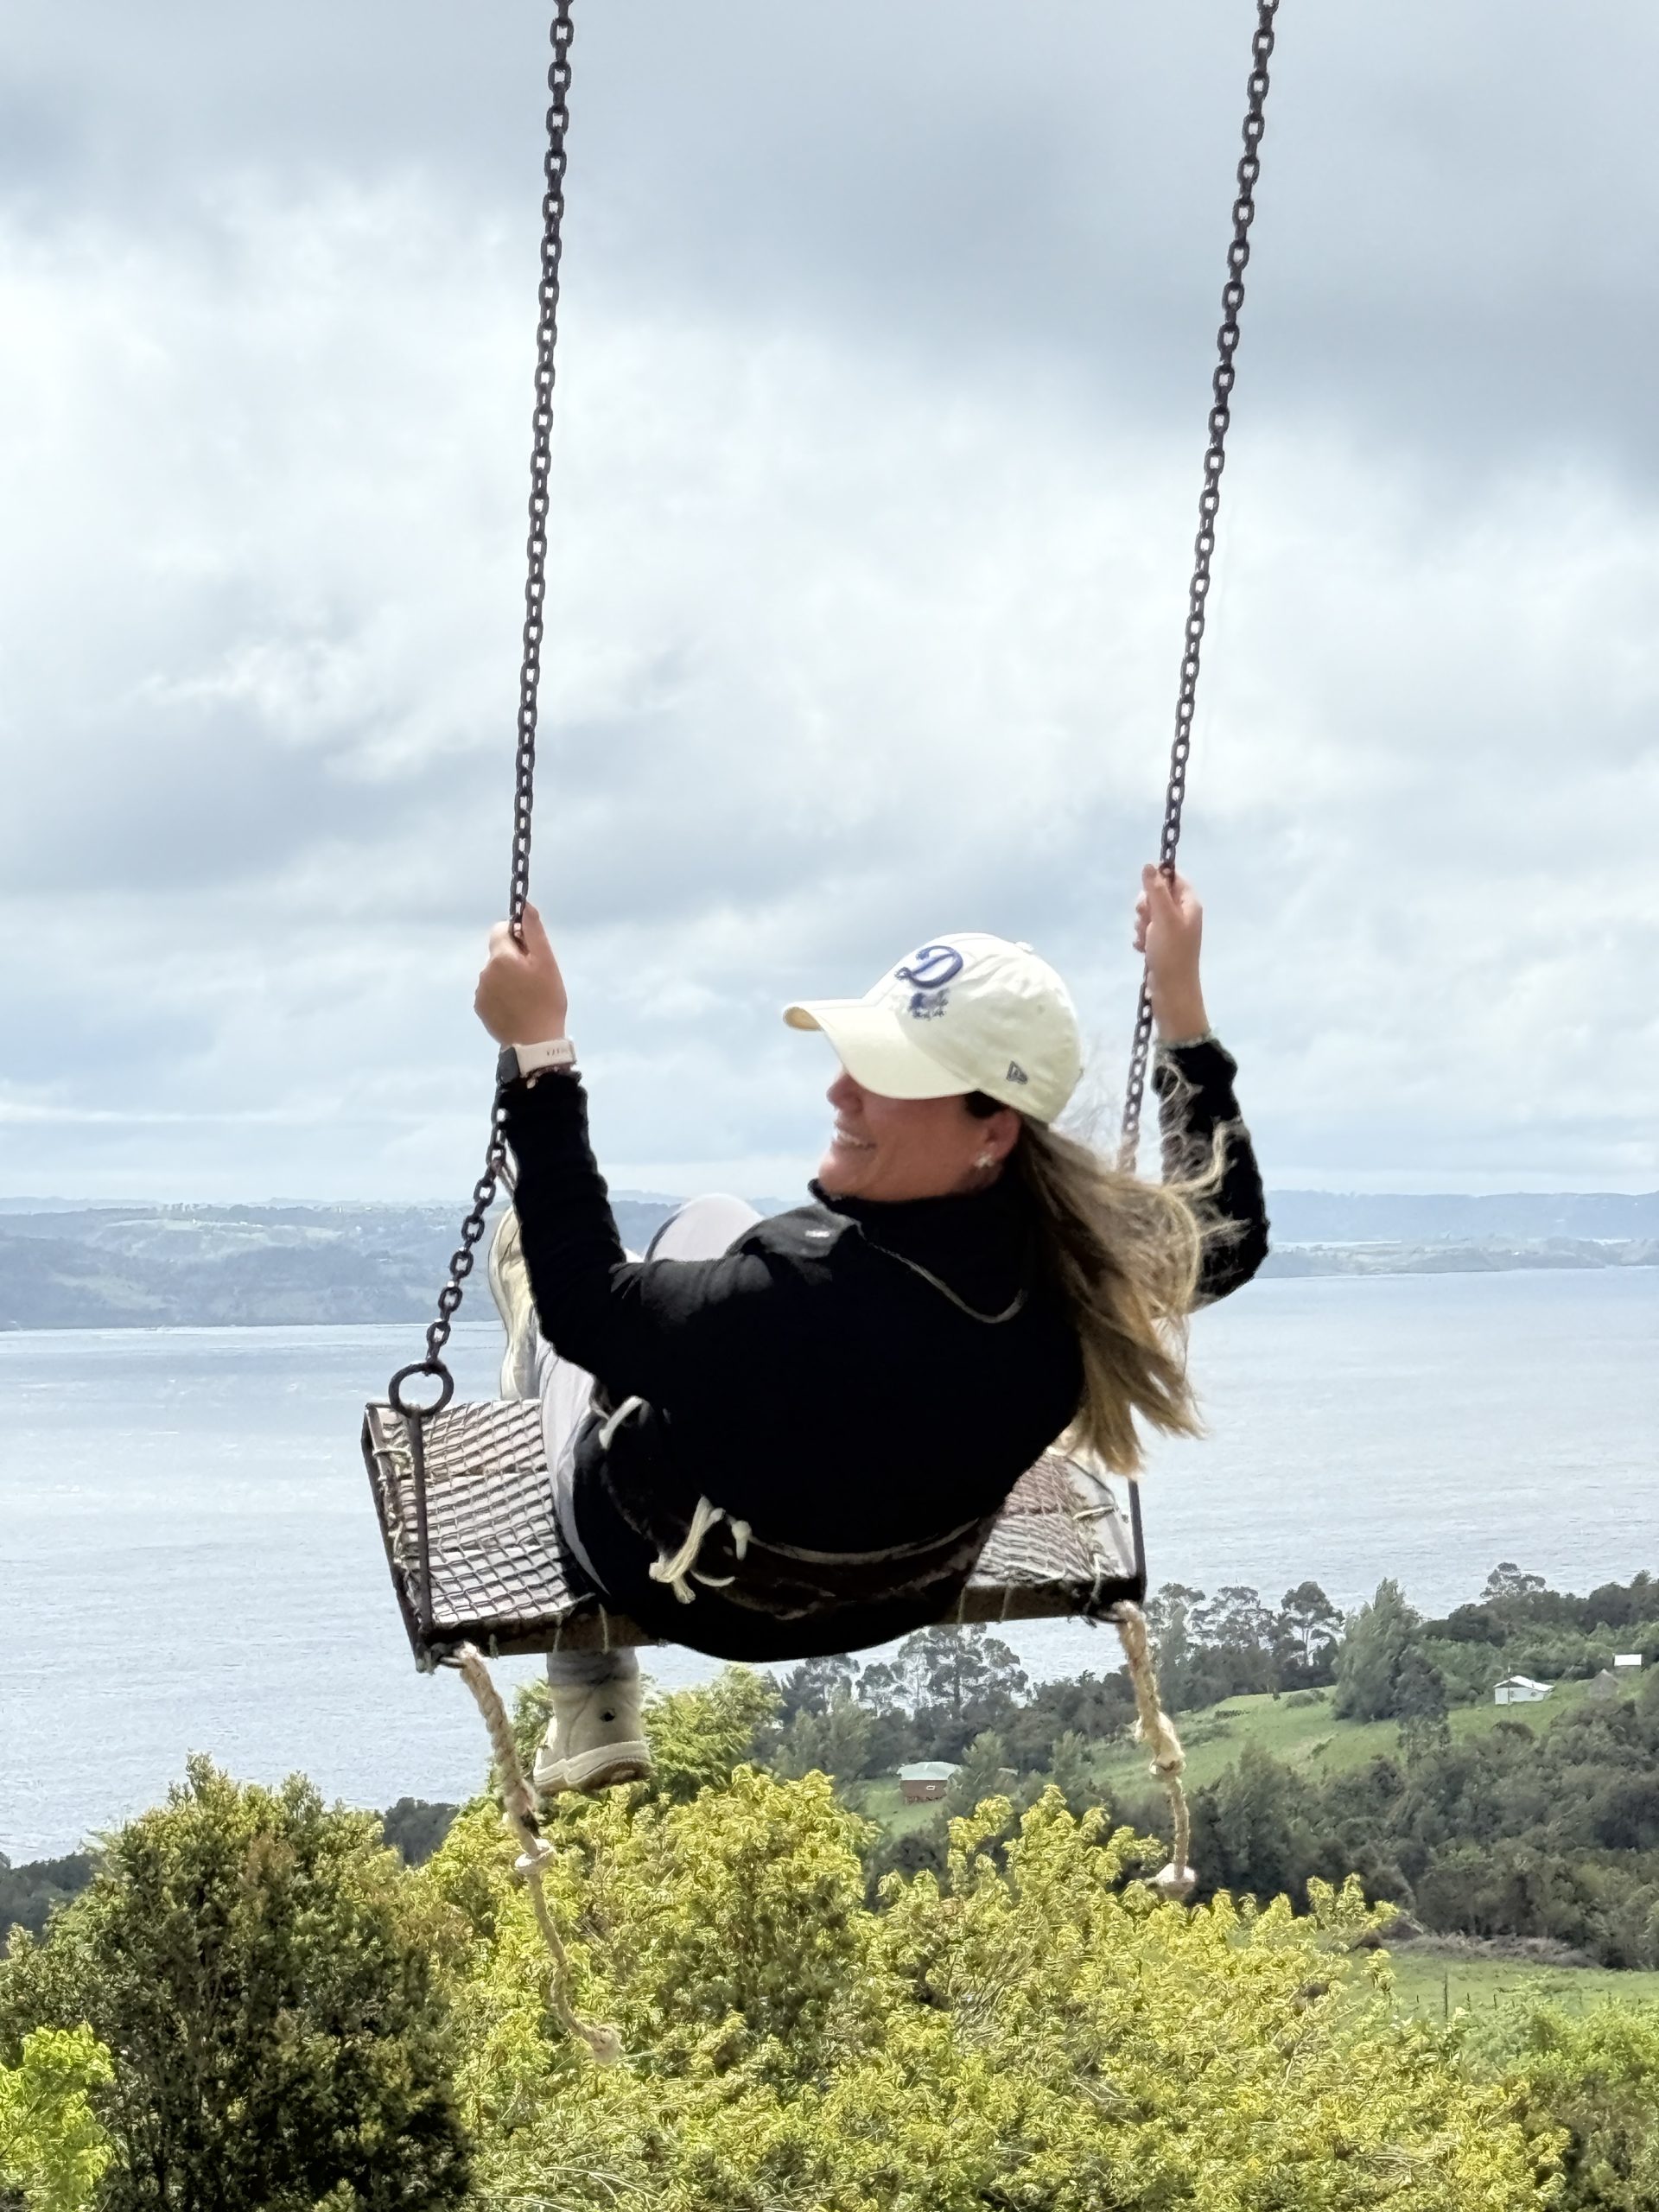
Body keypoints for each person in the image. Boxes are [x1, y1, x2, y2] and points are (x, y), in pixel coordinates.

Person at [475, 867, 1268, 1796]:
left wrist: (540, 1055)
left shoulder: (788, 1296)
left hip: (690, 1584)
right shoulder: (1077, 1273)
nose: (841, 1092)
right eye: (855, 1058)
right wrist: (1180, 1002)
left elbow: (586, 1304)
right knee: (715, 1227)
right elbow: (1228, 1233)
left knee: (557, 1315)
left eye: (887, 1075)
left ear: (993, 1131)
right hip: (898, 1592)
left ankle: (590, 1694)